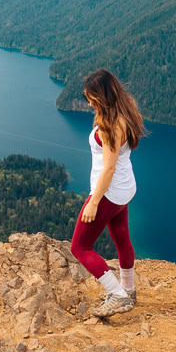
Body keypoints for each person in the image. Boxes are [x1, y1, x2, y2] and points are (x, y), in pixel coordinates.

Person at [70, 69, 148, 317]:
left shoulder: (109, 126)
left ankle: (117, 295)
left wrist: (94, 202)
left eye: (92, 99)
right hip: (125, 190)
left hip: (108, 193)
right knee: (122, 239)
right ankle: (129, 289)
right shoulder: (126, 112)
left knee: (80, 247)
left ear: (103, 96)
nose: (89, 103)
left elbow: (109, 168)